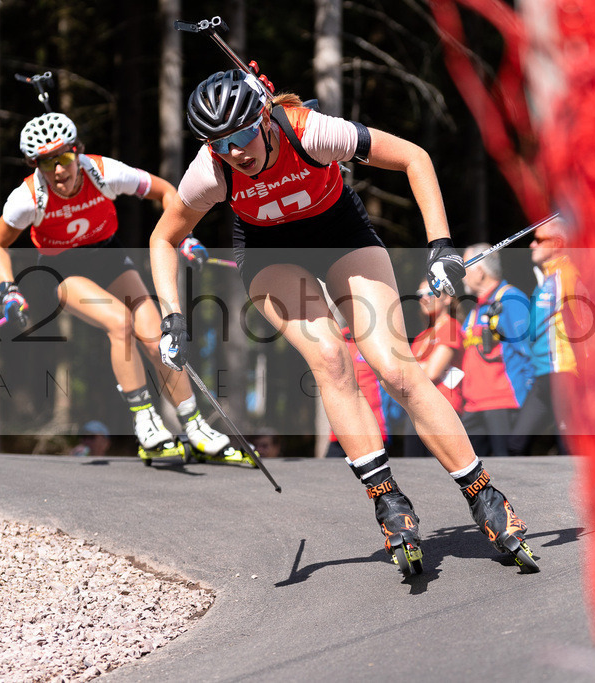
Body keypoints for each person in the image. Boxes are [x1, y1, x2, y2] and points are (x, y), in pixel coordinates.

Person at [149, 69, 539, 573]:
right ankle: (387, 499)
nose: (237, 151)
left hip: (341, 234)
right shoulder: (210, 172)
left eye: (243, 133)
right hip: (271, 255)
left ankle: (483, 495)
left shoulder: (310, 131)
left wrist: (440, 246)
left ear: (264, 117)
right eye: (220, 143)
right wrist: (171, 316)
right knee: (331, 358)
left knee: (396, 369)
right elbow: (163, 239)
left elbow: (414, 158)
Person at [0, 112, 249, 466]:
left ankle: (197, 428)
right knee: (120, 323)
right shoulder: (28, 197)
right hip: (62, 271)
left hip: (108, 257)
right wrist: (8, 289)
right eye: (46, 164)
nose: (58, 171)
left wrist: (183, 236)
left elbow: (165, 191)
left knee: (159, 338)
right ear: (36, 166)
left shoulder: (104, 171)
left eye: (63, 158)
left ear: (77, 151)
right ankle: (146, 423)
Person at [508, 217, 584, 455]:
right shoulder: (545, 280)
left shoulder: (567, 275)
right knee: (515, 444)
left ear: (558, 243)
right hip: (543, 376)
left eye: (539, 240)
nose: (532, 245)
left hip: (564, 373)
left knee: (569, 448)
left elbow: (586, 323)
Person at [458, 244, 534, 457]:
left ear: (479, 271)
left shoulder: (511, 299)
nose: (462, 276)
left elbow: (528, 350)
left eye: (465, 268)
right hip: (473, 405)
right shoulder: (477, 307)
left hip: (504, 401)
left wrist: (528, 401)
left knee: (511, 473)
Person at [403, 279, 465, 458]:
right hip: (417, 409)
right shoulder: (420, 337)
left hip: (443, 409)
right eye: (420, 294)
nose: (424, 298)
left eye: (431, 293)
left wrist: (414, 369)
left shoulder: (451, 327)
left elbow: (432, 373)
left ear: (447, 298)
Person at [323, 326, 389, 458]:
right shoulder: (339, 336)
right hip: (341, 427)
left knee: (376, 474)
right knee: (328, 472)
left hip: (374, 427)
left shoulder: (377, 336)